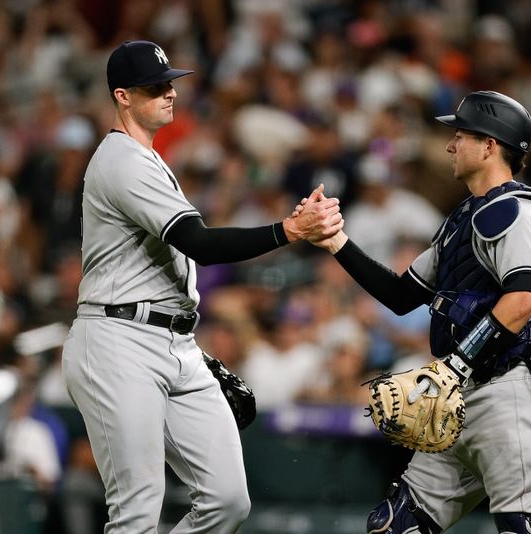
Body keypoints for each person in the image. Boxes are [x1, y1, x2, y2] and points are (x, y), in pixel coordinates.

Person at [61, 40, 343, 534]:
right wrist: (289, 231)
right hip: (119, 340)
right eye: (155, 87)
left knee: (227, 500)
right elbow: (200, 243)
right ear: (122, 96)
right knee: (137, 510)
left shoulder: (149, 159)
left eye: (170, 83)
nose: (169, 93)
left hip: (174, 341)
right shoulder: (121, 161)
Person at [299, 91, 531, 533]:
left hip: (506, 394)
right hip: (458, 398)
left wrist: (456, 365)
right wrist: (336, 242)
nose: (450, 145)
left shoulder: (514, 211)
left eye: (460, 135)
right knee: (396, 525)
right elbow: (403, 295)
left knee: (527, 528)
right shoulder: (463, 217)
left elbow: (524, 299)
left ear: (490, 146)